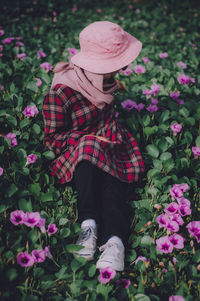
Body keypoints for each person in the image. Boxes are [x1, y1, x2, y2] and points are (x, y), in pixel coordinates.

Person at [42, 21, 145, 271]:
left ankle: (115, 241)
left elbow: (105, 104)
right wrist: (91, 140)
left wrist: (103, 139)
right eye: (116, 63)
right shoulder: (60, 93)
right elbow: (53, 139)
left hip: (108, 142)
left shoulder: (104, 81)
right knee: (89, 149)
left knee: (113, 182)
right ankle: (89, 225)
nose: (123, 66)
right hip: (78, 155)